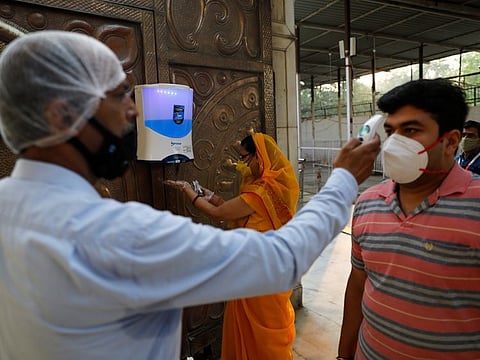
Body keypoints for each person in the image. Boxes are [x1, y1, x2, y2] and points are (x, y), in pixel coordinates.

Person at [0, 30, 380, 360]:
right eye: (119, 96)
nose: (133, 111)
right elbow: (281, 261)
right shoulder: (118, 235)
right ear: (61, 115)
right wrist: (344, 179)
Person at [338, 78, 480, 360]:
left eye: (411, 130)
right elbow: (357, 285)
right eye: (391, 132)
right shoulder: (367, 203)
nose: (393, 144)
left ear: (451, 141)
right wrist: (344, 355)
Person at [166, 132, 299, 359]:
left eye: (246, 158)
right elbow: (236, 210)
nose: (243, 164)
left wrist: (187, 190)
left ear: (260, 157)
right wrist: (212, 196)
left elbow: (220, 213)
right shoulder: (270, 187)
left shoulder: (261, 191)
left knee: (260, 334)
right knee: (259, 329)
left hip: (258, 273)